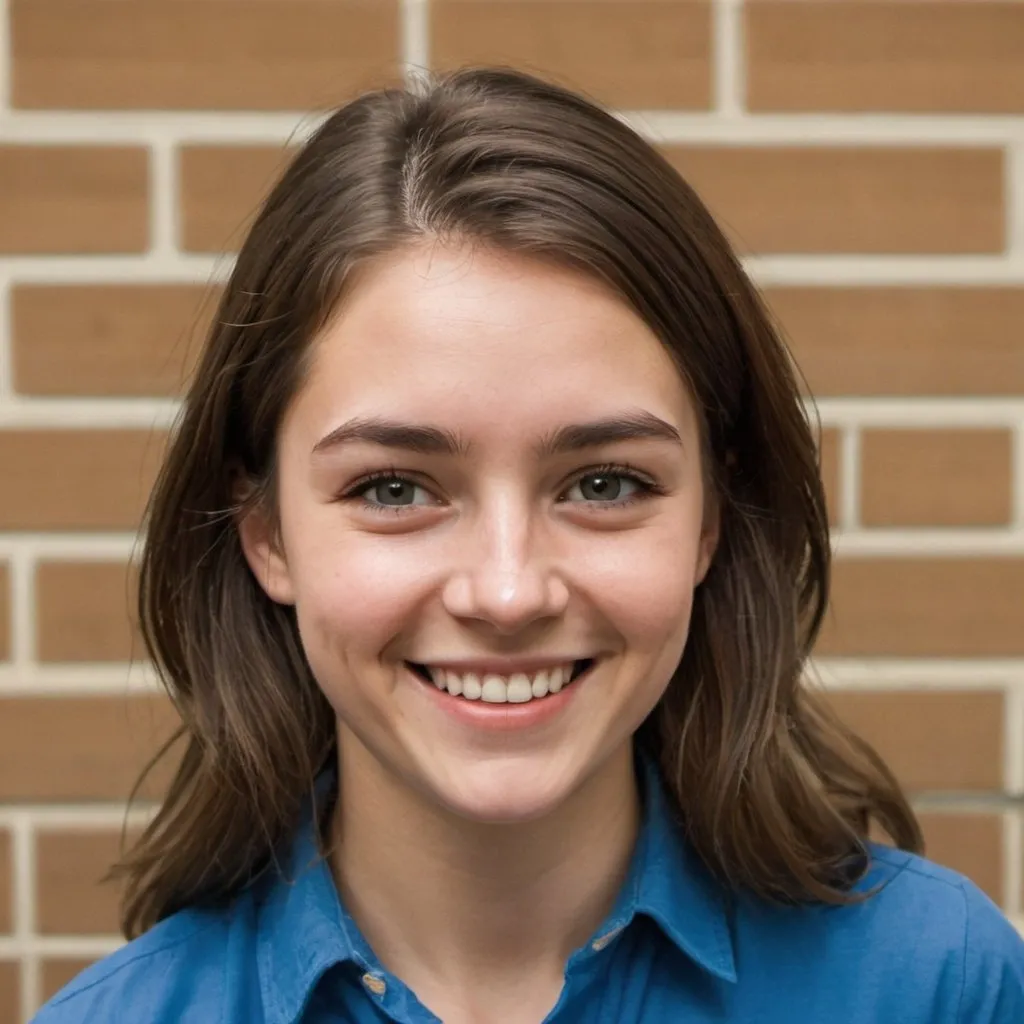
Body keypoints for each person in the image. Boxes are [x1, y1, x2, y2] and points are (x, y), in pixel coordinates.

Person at [34, 66, 1024, 1024]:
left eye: (604, 483)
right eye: (393, 487)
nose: (507, 594)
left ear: (710, 520)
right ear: (266, 532)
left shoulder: (937, 986)